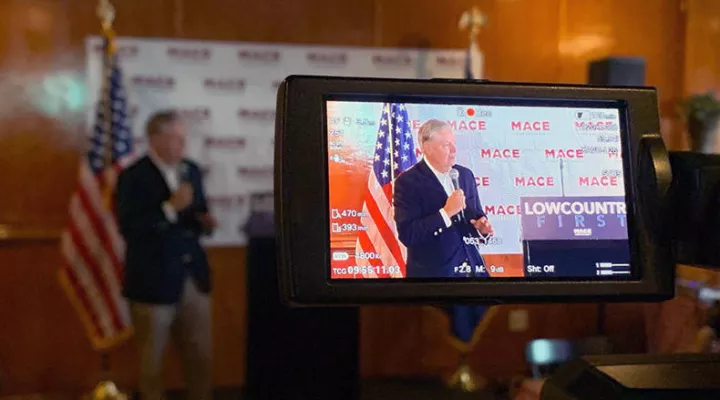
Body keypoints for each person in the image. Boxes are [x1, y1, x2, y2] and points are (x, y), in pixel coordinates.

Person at [116, 110, 216, 400]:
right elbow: (131, 228)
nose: (181, 145)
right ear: (154, 139)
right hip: (152, 283)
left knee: (201, 358)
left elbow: (196, 216)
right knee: (152, 364)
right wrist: (169, 208)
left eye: (183, 138)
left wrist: (204, 221)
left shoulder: (191, 170)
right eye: (174, 138)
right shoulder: (133, 177)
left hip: (193, 279)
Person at [394, 119, 494, 278]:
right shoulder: (408, 182)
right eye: (446, 145)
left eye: (453, 144)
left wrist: (482, 229)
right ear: (427, 148)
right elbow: (409, 234)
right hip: (434, 281)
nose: (454, 150)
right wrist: (446, 213)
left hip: (475, 274)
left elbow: (476, 217)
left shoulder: (465, 175)